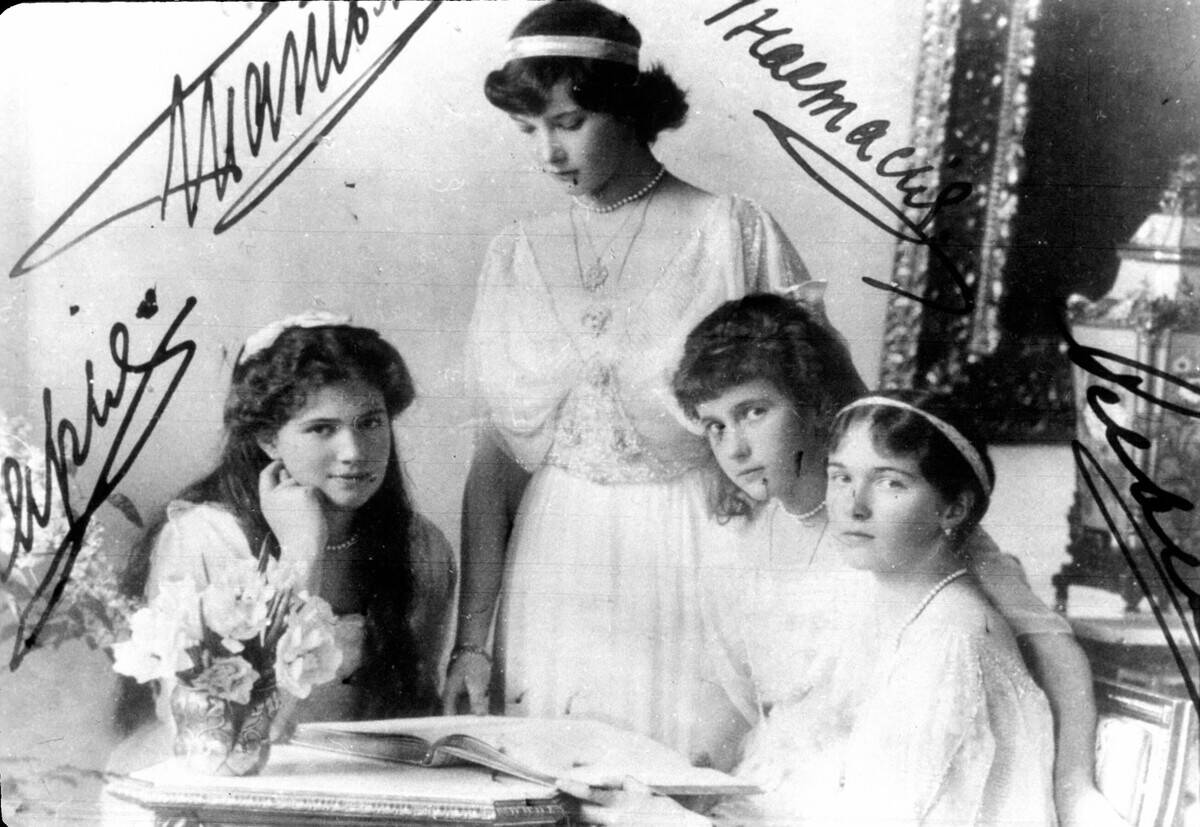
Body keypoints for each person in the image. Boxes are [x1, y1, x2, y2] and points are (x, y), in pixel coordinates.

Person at [443, 0, 811, 757]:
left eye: (569, 122)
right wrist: (470, 643)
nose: (547, 152)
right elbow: (494, 463)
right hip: (557, 551)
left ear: (629, 106)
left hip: (696, 546)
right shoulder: (515, 254)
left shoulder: (732, 232)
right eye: (528, 129)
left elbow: (817, 418)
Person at [668, 292, 1124, 825]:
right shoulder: (750, 532)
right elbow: (738, 697)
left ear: (814, 405)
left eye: (754, 413)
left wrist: (1075, 791)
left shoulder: (909, 532)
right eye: (716, 426)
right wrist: (685, 783)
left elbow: (1052, 655)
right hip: (786, 786)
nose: (736, 449)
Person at [564, 390, 1059, 825]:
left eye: (891, 483)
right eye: (841, 478)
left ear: (954, 508)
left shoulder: (949, 640)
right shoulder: (878, 601)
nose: (854, 505)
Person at [111, 314, 456, 769]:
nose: (354, 452)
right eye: (322, 428)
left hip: (364, 786)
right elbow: (218, 744)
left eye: (370, 423)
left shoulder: (420, 547)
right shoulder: (206, 539)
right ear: (269, 439)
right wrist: (302, 554)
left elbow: (415, 717)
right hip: (228, 780)